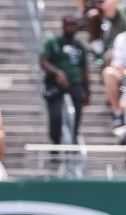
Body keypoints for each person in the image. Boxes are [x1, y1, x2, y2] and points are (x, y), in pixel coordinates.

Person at [41, 15, 91, 146]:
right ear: (63, 26)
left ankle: (74, 140)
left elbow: (85, 69)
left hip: (75, 82)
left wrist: (87, 90)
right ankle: (55, 143)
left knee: (77, 114)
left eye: (73, 25)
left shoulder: (80, 46)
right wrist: (57, 73)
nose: (71, 28)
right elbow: (43, 61)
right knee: (55, 116)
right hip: (55, 83)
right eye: (68, 25)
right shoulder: (53, 42)